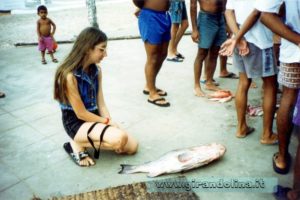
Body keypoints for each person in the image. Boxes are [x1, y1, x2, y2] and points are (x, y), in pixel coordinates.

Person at [54, 27, 138, 167]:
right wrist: (107, 123)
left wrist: (110, 122)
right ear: (88, 48)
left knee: (132, 147)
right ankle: (75, 144)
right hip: (76, 122)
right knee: (119, 139)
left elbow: (101, 104)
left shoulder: (96, 71)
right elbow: (81, 114)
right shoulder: (69, 76)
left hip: (93, 117)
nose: (105, 54)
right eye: (102, 49)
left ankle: (90, 139)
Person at [256, 2, 300, 197]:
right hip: (294, 47)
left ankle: (282, 158)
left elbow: (266, 15)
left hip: (293, 50)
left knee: (288, 99)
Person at [219, 0, 278, 144]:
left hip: (240, 38)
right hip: (259, 40)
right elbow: (257, 12)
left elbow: (229, 12)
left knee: (243, 82)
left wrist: (237, 38)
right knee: (270, 85)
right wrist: (239, 38)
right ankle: (267, 134)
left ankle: (241, 128)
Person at [133, 0, 171, 107]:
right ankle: (152, 93)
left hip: (164, 15)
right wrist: (144, 7)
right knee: (153, 57)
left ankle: (149, 85)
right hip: (151, 17)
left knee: (163, 54)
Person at [190, 0, 227, 96]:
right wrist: (194, 29)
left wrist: (226, 22)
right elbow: (193, 5)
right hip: (206, 18)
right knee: (202, 53)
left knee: (215, 52)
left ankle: (209, 82)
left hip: (221, 17)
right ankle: (197, 86)